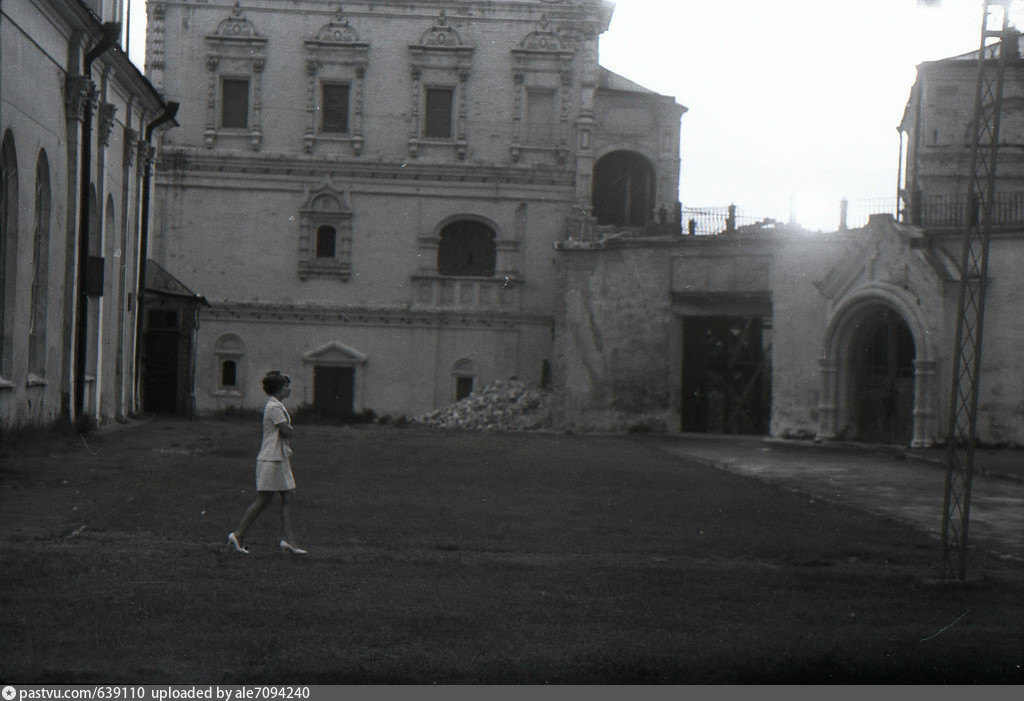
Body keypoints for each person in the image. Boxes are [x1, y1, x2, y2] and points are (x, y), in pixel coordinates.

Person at [228, 370, 307, 555]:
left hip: (278, 457)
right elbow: (286, 432)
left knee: (288, 496)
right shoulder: (274, 407)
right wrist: (289, 430)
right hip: (272, 458)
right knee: (265, 499)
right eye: (286, 386)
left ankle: (288, 540)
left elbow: (286, 431)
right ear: (279, 388)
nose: (289, 389)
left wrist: (288, 431)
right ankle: (238, 535)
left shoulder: (276, 405)